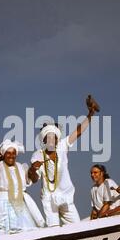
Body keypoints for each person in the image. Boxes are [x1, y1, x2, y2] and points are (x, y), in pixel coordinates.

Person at [29, 95, 99, 227]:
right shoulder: (37, 155)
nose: (51, 140)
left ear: (57, 139)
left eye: (53, 137)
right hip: (50, 201)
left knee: (77, 229)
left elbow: (78, 132)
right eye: (48, 138)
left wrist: (90, 114)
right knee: (54, 232)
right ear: (44, 140)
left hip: (66, 197)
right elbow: (33, 179)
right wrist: (33, 169)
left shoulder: (62, 146)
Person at [0, 139, 45, 235]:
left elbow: (33, 180)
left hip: (19, 204)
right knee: (3, 232)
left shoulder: (20, 166)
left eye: (13, 153)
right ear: (3, 154)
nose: (11, 156)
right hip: (2, 203)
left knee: (24, 232)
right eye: (8, 153)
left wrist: (33, 169)